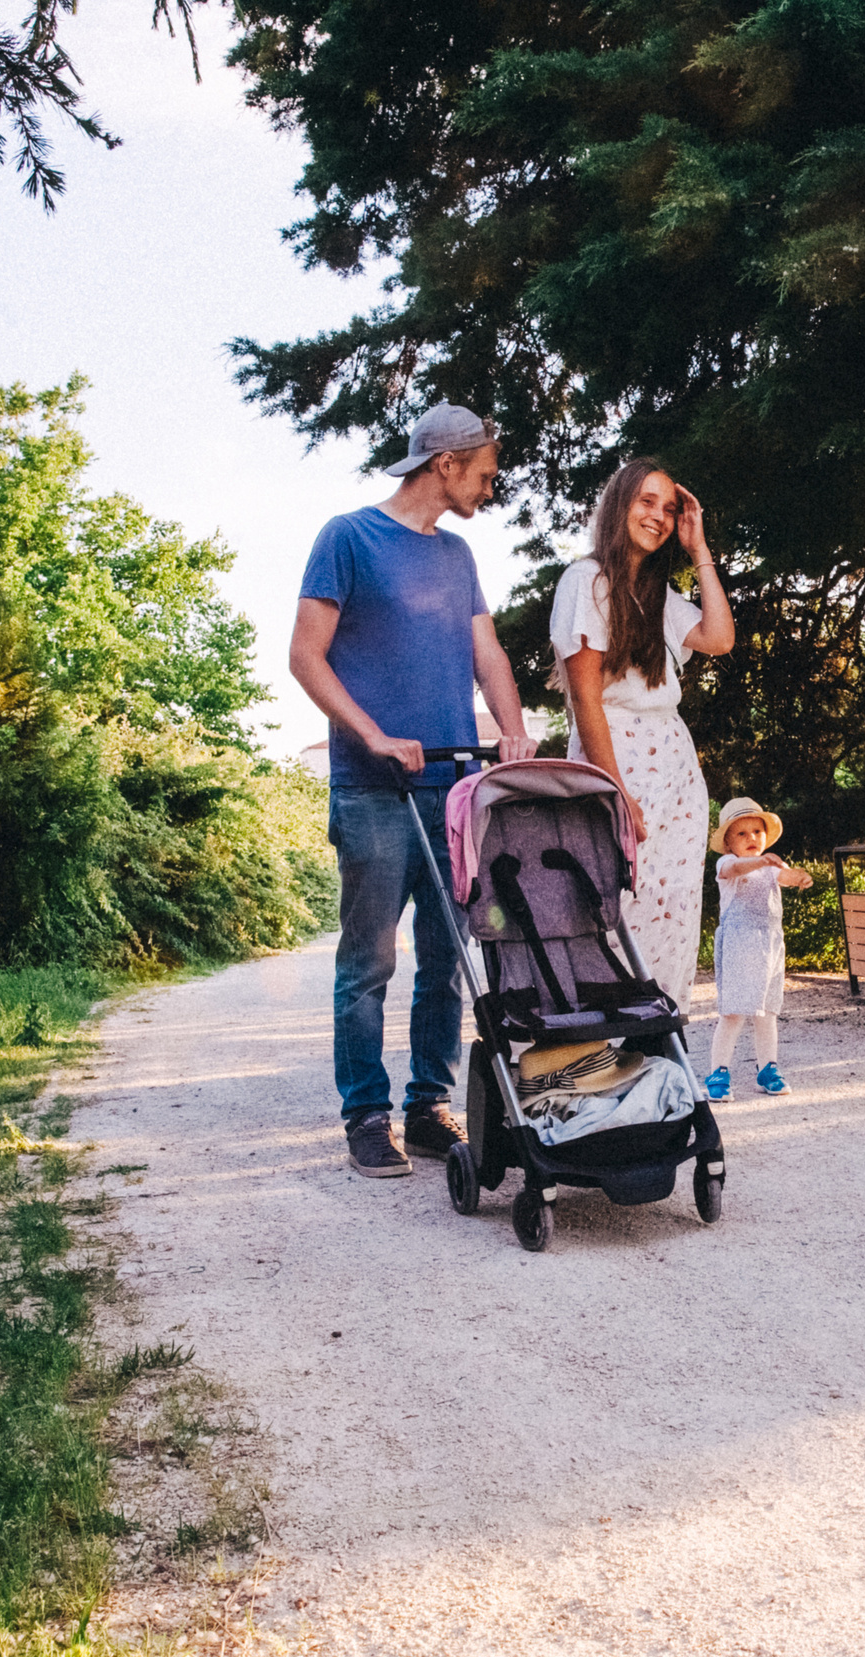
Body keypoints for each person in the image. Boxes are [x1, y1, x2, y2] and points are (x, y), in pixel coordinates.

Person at [289, 403, 539, 1180]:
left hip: (454, 787)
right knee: (369, 960)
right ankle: (365, 1113)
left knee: (448, 955)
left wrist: (514, 729)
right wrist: (369, 733)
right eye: (487, 472)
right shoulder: (348, 538)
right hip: (373, 789)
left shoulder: (459, 555)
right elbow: (305, 656)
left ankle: (428, 1105)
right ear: (446, 463)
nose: (491, 488)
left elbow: (487, 654)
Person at [548, 459, 734, 1007]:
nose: (657, 516)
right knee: (615, 907)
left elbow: (720, 637)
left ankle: (658, 1046)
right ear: (619, 504)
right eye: (645, 502)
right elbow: (586, 698)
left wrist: (699, 549)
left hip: (675, 771)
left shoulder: (656, 594)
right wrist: (614, 790)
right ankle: (602, 1048)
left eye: (668, 508)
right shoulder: (586, 581)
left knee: (673, 912)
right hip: (619, 765)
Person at [705, 796, 811, 1100]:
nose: (752, 838)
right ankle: (718, 1070)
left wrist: (799, 877)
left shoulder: (771, 865)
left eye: (757, 832)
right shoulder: (727, 863)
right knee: (734, 1011)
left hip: (769, 944)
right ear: (727, 842)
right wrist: (760, 861)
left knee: (767, 1011)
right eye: (741, 833)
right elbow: (736, 869)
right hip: (739, 943)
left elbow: (786, 876)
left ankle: (768, 1069)